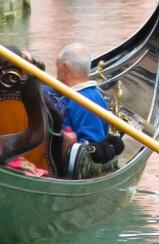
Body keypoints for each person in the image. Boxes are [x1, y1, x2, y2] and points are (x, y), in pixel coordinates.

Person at [53, 43, 124, 178]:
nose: (55, 73)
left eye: (57, 66)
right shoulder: (92, 94)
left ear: (64, 67)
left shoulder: (82, 100)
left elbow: (91, 147)